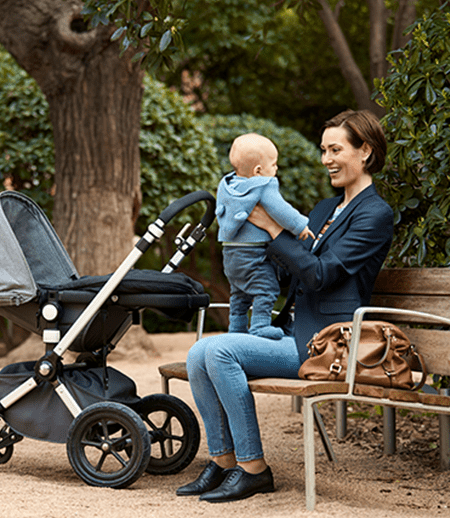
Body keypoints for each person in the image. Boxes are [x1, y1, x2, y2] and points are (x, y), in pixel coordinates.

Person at [176, 110, 394, 503]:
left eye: (336, 149)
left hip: (326, 343)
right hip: (295, 331)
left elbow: (320, 274)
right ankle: (224, 462)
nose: (326, 158)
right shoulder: (325, 210)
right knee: (197, 354)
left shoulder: (375, 214)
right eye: (324, 149)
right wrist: (247, 253)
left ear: (365, 151)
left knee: (221, 351)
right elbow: (295, 268)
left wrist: (273, 228)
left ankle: (254, 469)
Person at [216, 133, 314, 340]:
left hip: (230, 253)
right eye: (274, 164)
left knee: (239, 293)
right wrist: (300, 226)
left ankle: (236, 329)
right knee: (266, 288)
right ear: (258, 171)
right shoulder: (263, 184)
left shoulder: (226, 185)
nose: (276, 169)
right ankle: (260, 326)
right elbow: (280, 209)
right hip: (253, 253)